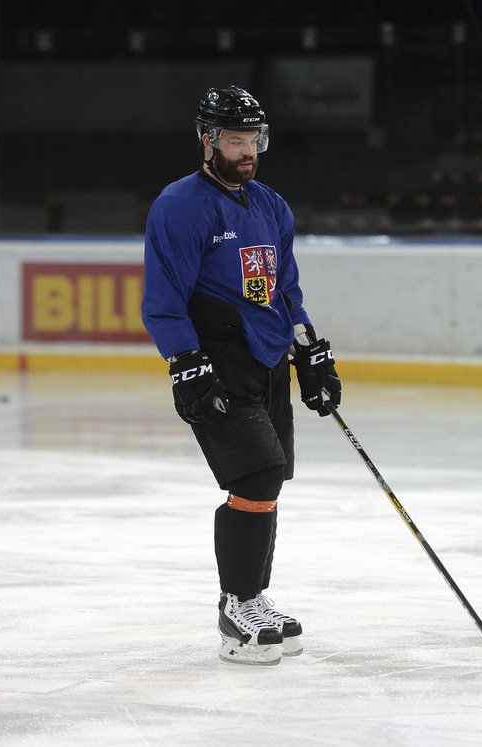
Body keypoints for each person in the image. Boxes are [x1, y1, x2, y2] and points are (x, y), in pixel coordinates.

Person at [141, 86, 341, 665]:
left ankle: (253, 597)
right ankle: (236, 612)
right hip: (217, 357)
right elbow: (162, 300)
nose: (248, 149)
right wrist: (184, 360)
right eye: (235, 139)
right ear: (207, 140)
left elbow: (285, 290)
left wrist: (308, 348)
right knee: (258, 472)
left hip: (269, 357)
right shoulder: (179, 206)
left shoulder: (271, 206)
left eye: (254, 139)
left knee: (267, 481)